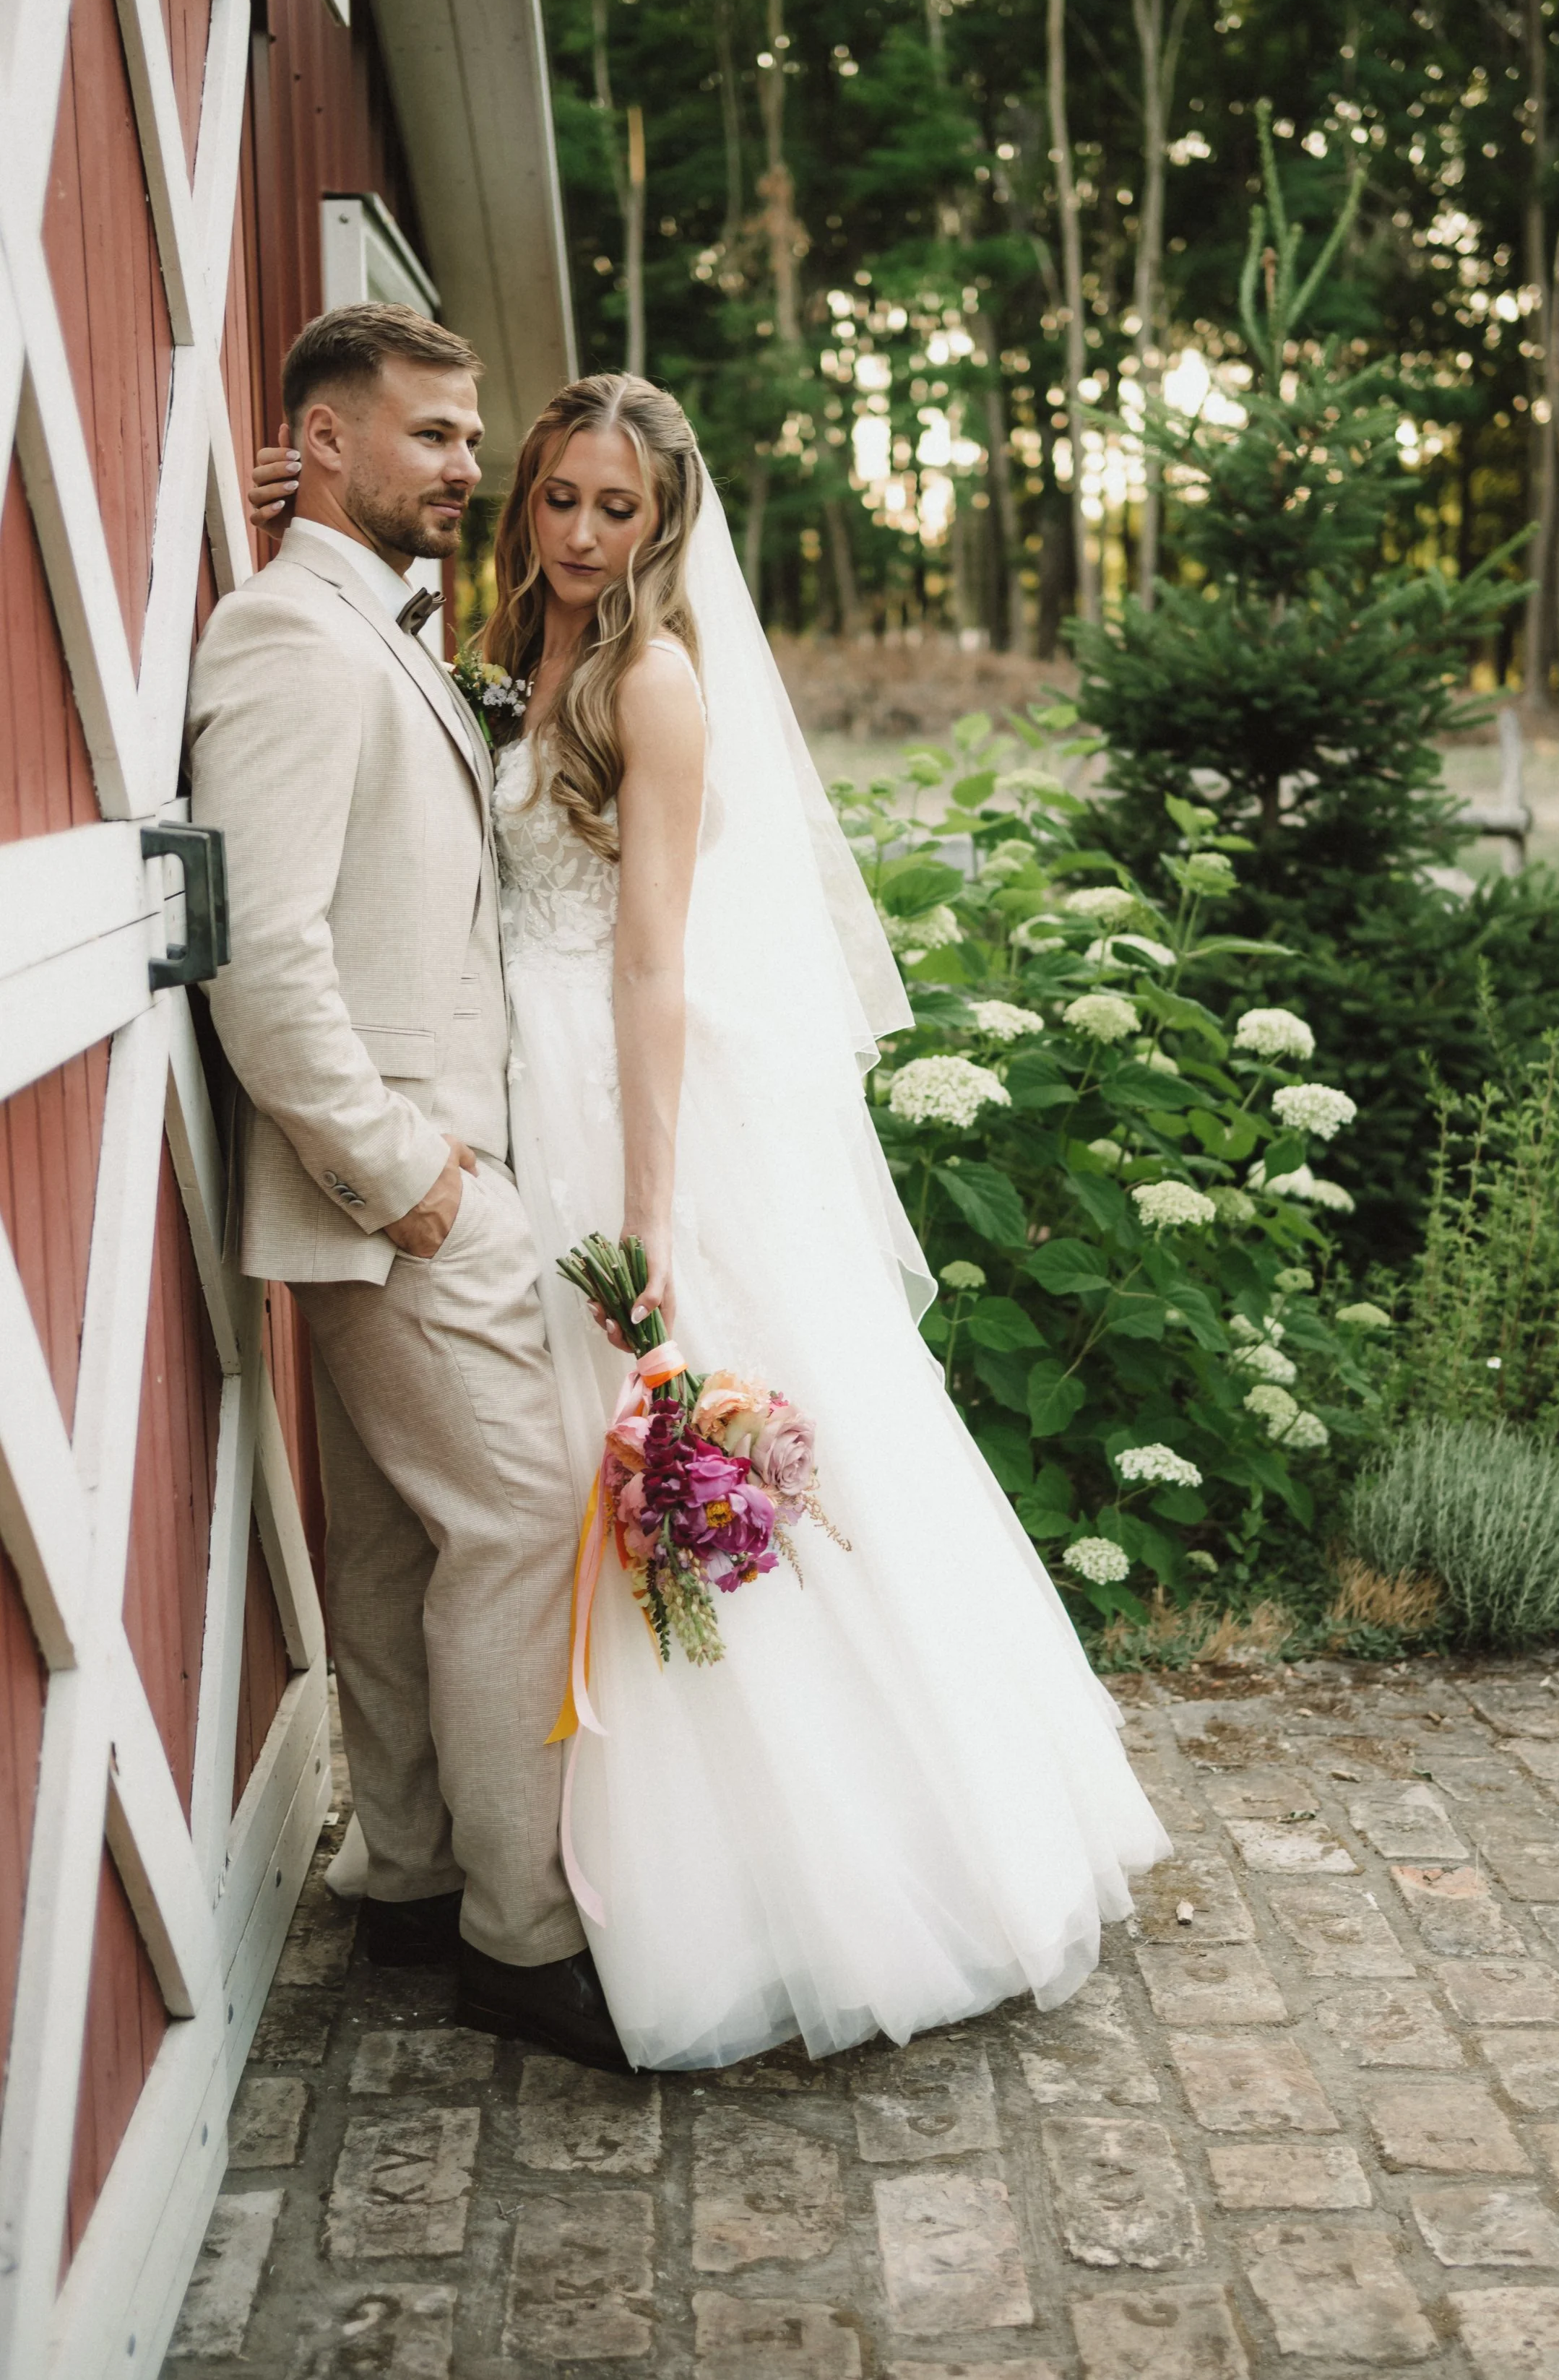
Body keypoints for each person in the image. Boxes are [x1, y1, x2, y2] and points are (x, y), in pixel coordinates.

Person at [260, 368, 1168, 2071]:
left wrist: (652, 1215)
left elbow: (654, 956)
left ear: (666, 520)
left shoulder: (653, 684)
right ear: (526, 500)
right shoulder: (487, 650)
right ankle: (509, 1864)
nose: (587, 535)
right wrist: (300, 504)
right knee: (520, 1500)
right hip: (497, 1081)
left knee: (605, 1474)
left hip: (609, 1096)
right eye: (561, 501)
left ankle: (745, 1884)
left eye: (622, 509)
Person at [188, 303, 624, 2069]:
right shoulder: (291, 639)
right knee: (519, 1526)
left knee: (385, 1545)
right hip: (398, 1192)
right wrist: (403, 1179)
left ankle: (413, 1882)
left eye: (467, 437)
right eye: (434, 436)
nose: (468, 466)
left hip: (410, 1192)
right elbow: (265, 955)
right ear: (329, 436)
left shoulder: (375, 618)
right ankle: (521, 1939)